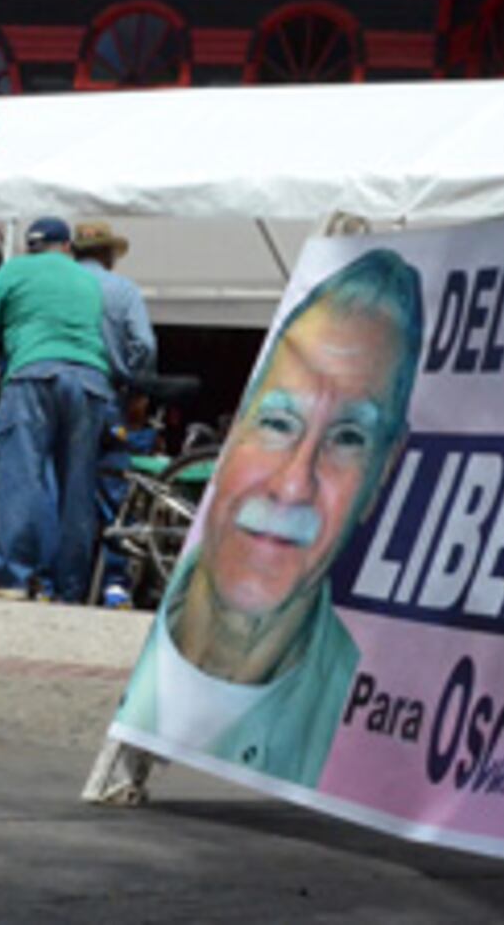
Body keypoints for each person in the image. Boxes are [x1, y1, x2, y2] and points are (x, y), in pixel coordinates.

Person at [111, 249, 423, 787]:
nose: (294, 484)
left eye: (349, 438)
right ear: (233, 433)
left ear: (385, 473)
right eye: (278, 423)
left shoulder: (363, 714)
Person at [0, 217, 111, 602]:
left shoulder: (13, 270)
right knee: (77, 487)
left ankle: (12, 576)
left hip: (34, 373)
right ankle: (70, 587)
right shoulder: (87, 280)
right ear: (66, 246)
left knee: (23, 476)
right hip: (90, 381)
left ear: (30, 246)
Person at [76, 221, 156, 608]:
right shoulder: (122, 290)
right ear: (108, 254)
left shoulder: (60, 285)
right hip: (108, 395)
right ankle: (114, 583)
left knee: (62, 482)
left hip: (63, 389)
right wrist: (136, 385)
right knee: (113, 489)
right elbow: (144, 343)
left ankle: (64, 579)